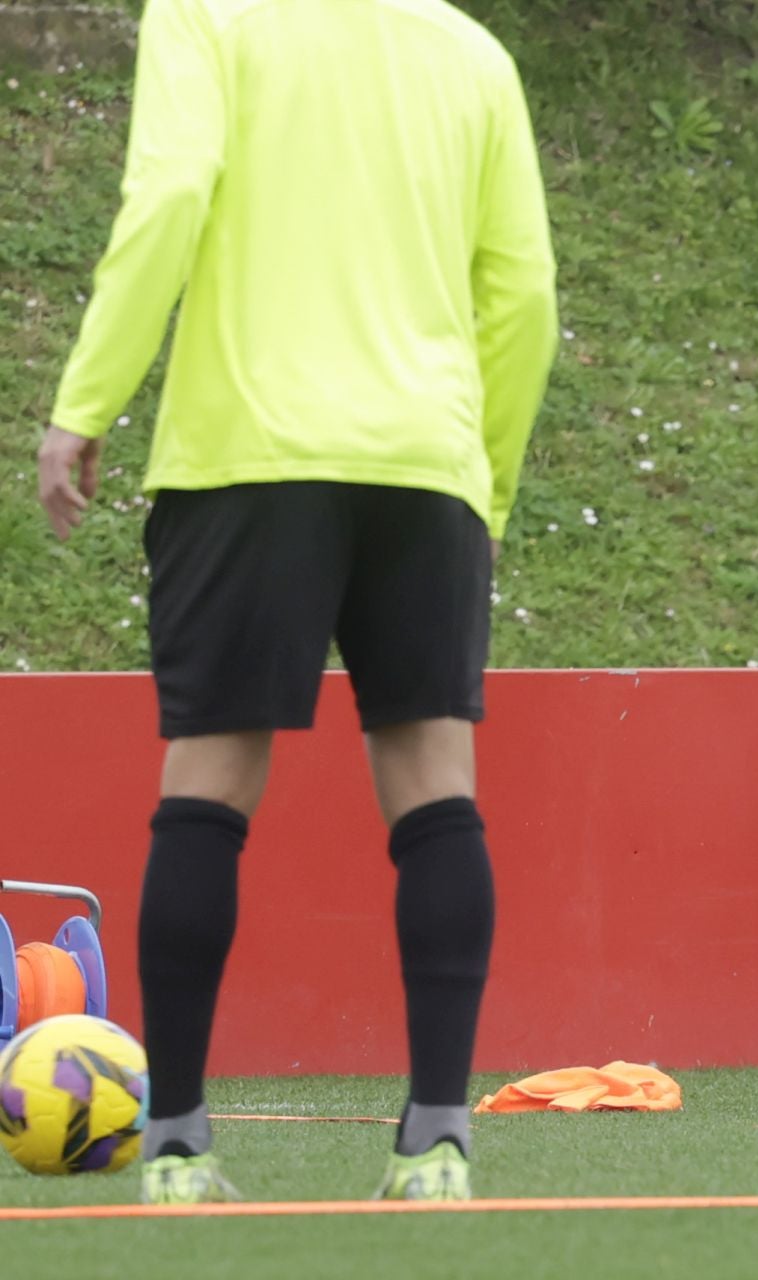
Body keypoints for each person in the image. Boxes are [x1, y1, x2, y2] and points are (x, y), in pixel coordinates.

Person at [34, 0, 557, 1202]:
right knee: (434, 784)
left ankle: (175, 1145)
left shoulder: (206, 17)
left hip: (246, 460)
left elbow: (166, 197)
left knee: (209, 783)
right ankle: (437, 1143)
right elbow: (523, 293)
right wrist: (486, 482)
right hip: (426, 469)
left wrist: (87, 400)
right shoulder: (470, 52)